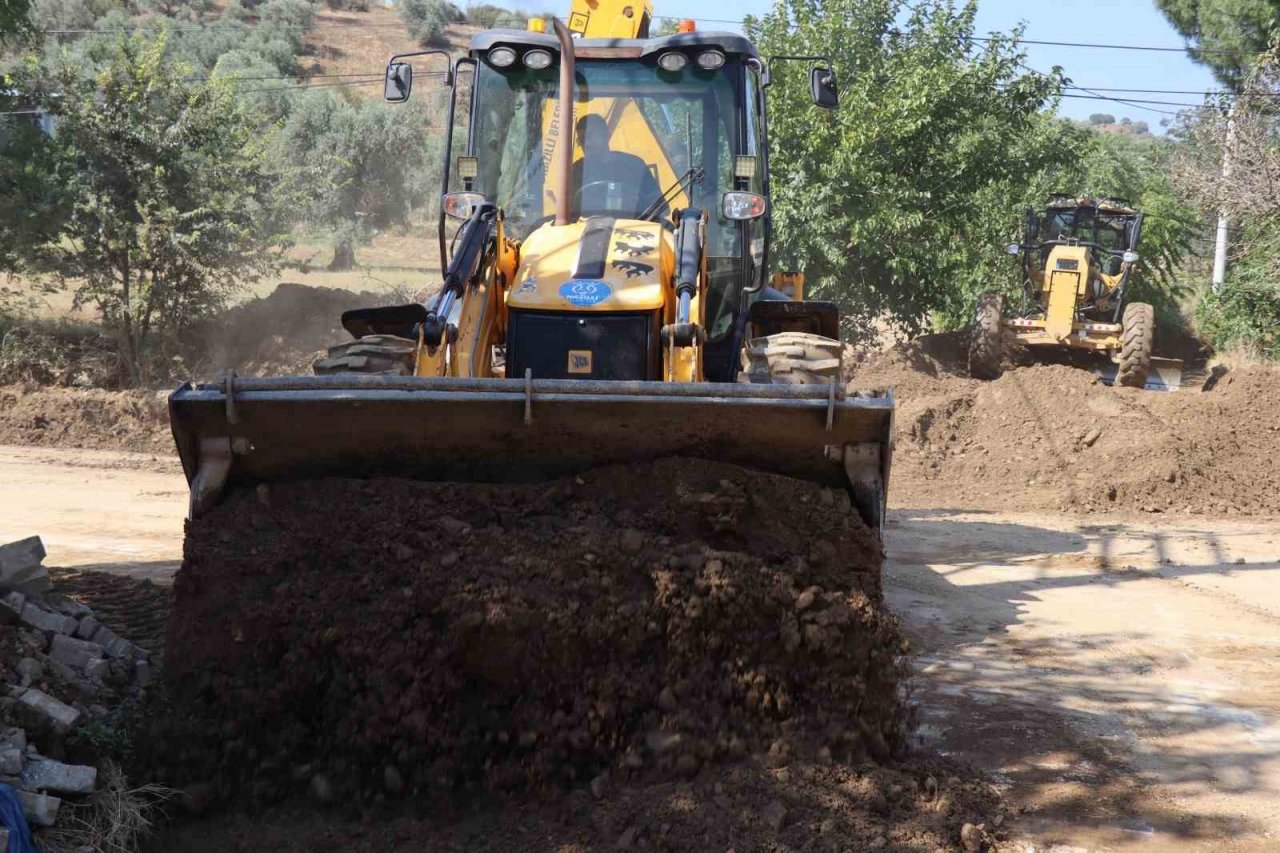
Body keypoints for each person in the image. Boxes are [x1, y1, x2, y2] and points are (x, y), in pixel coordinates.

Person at [571, 114, 667, 219]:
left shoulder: (634, 165)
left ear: (606, 135)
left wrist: (636, 203)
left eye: (590, 136)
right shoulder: (575, 172)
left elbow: (661, 207)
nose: (587, 143)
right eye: (582, 139)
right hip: (587, 227)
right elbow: (568, 214)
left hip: (632, 225)